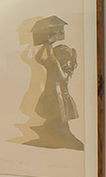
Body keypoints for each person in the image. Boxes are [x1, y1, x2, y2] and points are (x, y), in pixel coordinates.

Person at [26, 16, 84, 150]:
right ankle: (49, 133)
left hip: (59, 98)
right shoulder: (52, 65)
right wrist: (46, 45)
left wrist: (50, 48)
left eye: (58, 56)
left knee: (59, 122)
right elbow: (38, 58)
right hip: (51, 95)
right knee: (52, 119)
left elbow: (61, 77)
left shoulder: (65, 70)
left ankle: (60, 137)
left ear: (63, 58)